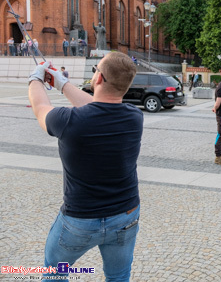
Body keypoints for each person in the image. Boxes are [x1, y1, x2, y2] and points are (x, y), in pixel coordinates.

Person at [28, 52, 143, 281]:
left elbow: (40, 106)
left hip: (79, 220)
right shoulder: (135, 117)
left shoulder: (68, 121)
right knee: (119, 275)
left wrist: (36, 78)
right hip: (125, 215)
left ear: (98, 78)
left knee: (54, 272)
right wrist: (62, 84)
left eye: (95, 70)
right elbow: (100, 106)